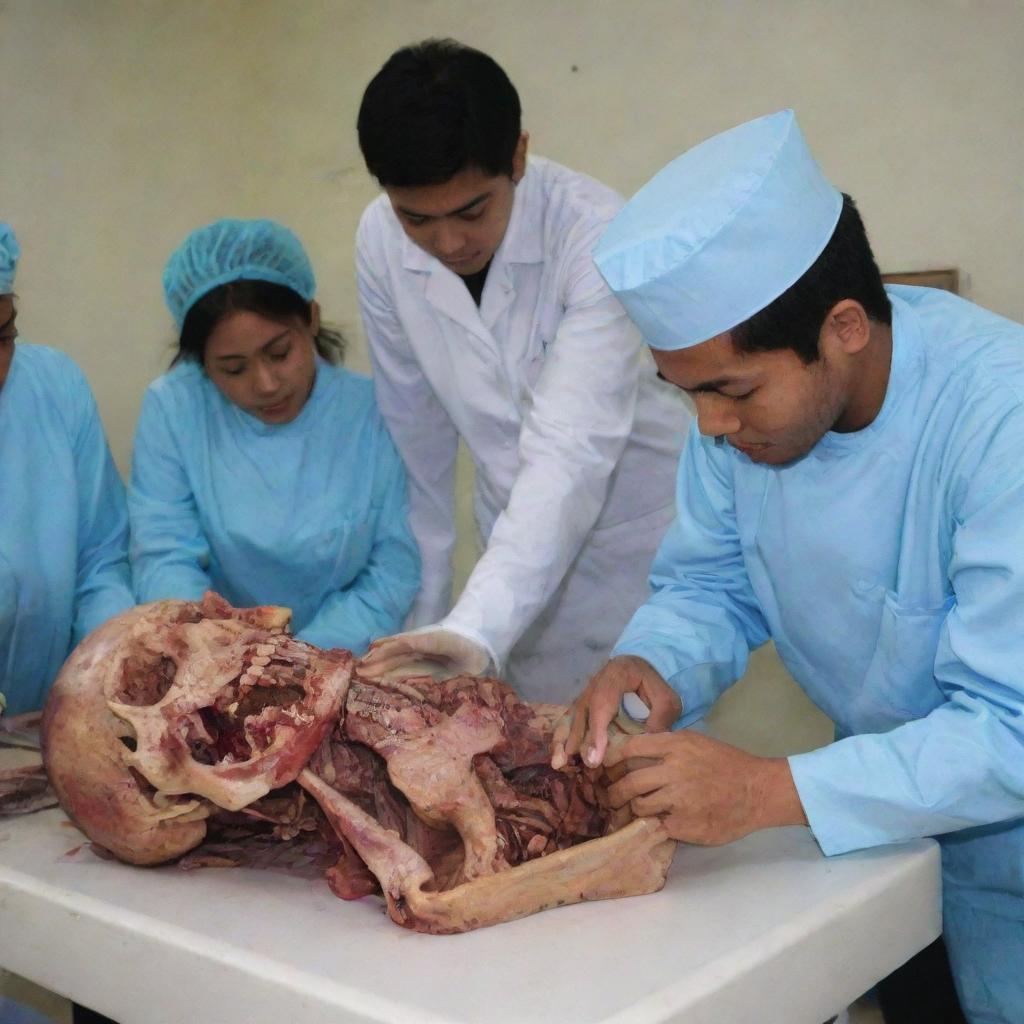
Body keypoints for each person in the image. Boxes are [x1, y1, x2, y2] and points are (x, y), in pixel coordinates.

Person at [553, 109, 1024, 1023]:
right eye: (687, 393)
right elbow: (710, 582)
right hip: (888, 842)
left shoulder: (999, 420)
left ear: (843, 326)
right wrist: (655, 659)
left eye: (731, 391)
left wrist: (768, 789)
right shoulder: (738, 423)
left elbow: (1013, 730)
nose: (710, 427)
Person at [355, 39, 691, 702]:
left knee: (646, 768)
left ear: (518, 155)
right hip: (509, 551)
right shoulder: (379, 240)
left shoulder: (595, 232)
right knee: (530, 773)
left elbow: (572, 450)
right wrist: (433, 624)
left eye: (472, 211)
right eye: (416, 217)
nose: (448, 243)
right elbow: (415, 442)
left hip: (635, 547)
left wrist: (477, 625)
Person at [129, 218, 419, 654]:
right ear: (200, 362)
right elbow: (163, 556)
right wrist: (216, 651)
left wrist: (303, 658)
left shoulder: (372, 410)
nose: (265, 384)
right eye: (233, 368)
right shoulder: (175, 409)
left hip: (351, 657)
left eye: (280, 353)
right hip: (213, 664)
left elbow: (394, 565)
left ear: (312, 320)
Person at [0, 221, 133, 715]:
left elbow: (100, 561)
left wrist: (107, 673)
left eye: (4, 335)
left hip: (38, 724)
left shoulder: (53, 388)